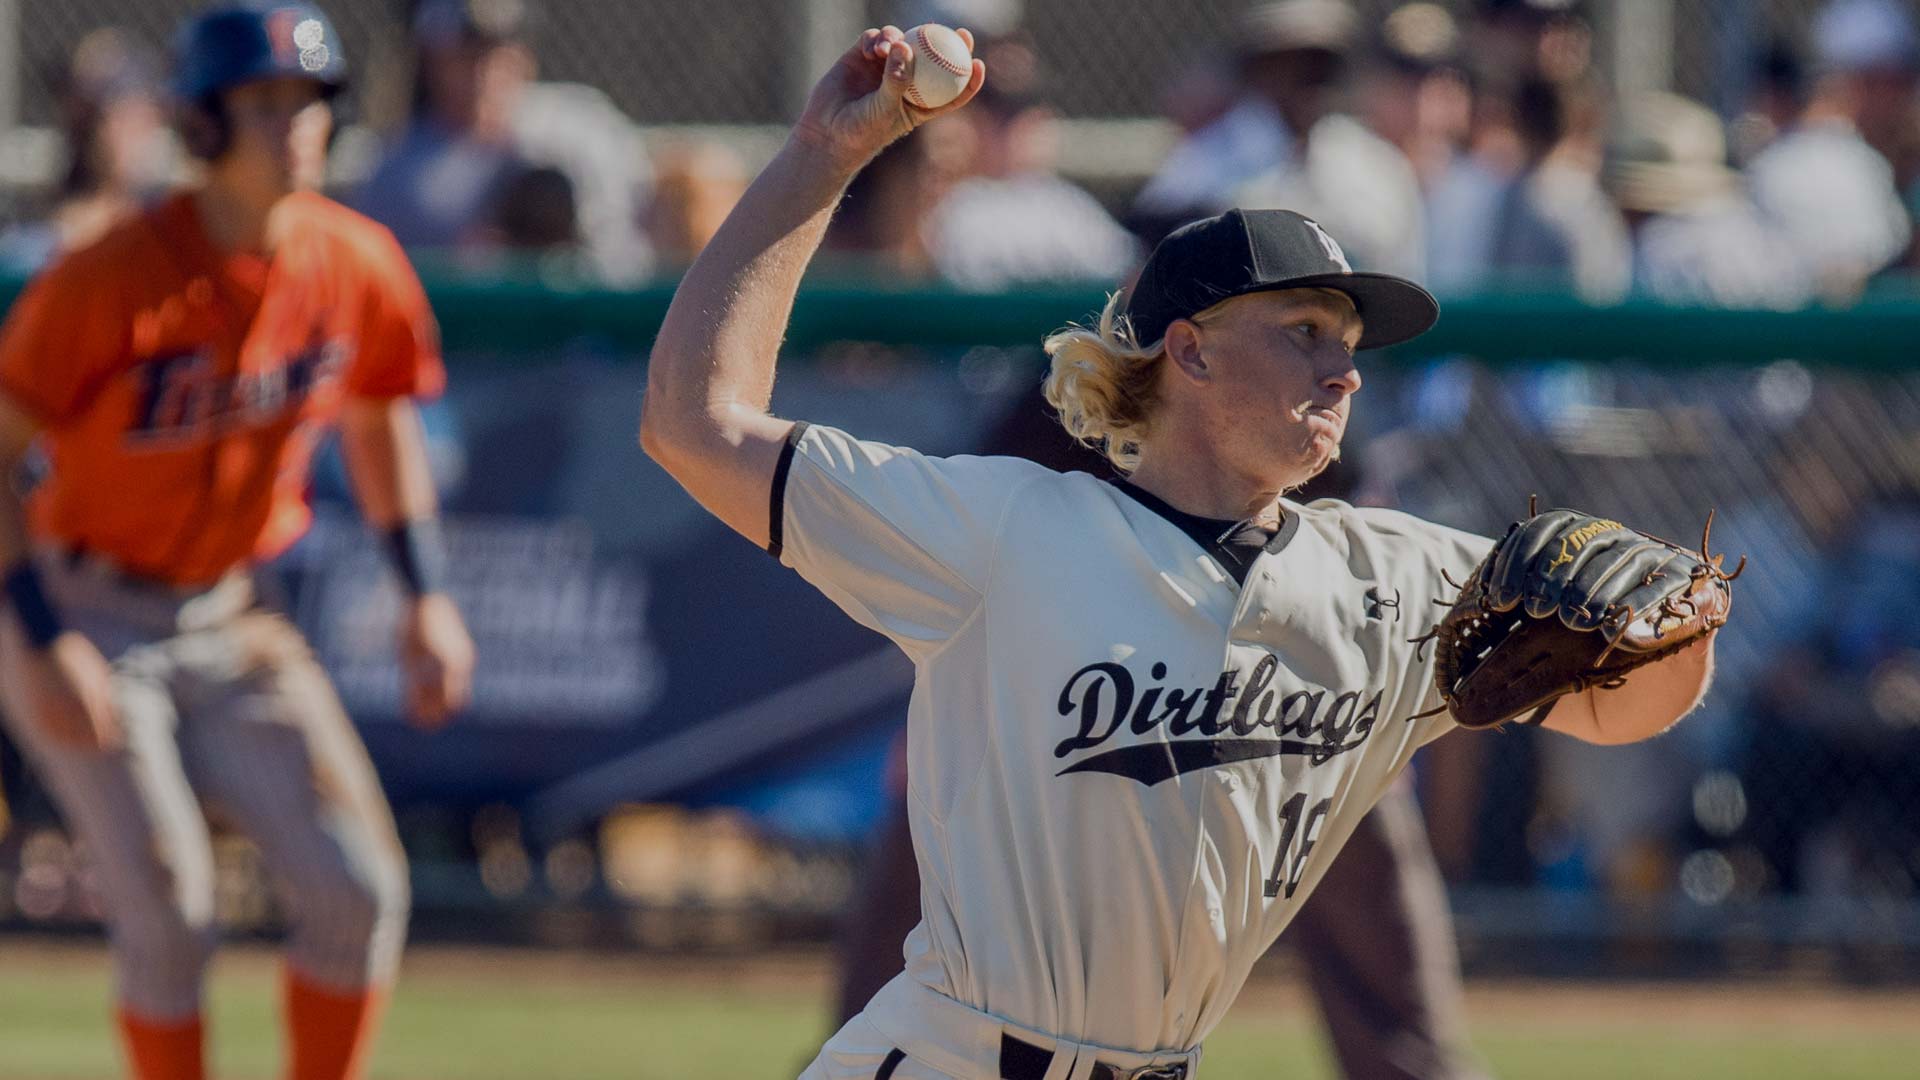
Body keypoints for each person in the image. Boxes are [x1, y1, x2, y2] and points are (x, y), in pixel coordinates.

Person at [641, 26, 1717, 1079]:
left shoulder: (1402, 577)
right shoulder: (1005, 532)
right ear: (1188, 351)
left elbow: (1619, 709)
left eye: (1348, 346)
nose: (1343, 373)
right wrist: (824, 156)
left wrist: (1675, 636)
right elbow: (692, 423)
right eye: (1304, 331)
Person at [0, 5, 475, 1079]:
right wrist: (39, 636)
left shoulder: (355, 261)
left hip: (228, 609)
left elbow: (380, 414)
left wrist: (425, 594)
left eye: (308, 104)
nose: (294, 128)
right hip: (83, 607)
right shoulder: (106, 277)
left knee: (360, 892)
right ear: (202, 126)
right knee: (171, 913)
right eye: (264, 105)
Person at [832, 391, 1491, 1080]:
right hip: (1067, 700)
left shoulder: (1282, 381)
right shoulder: (1063, 389)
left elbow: (1355, 529)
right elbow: (961, 551)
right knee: (936, 852)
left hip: (1289, 700)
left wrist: (1375, 695)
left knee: (1382, 938)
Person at [352, 0, 652, 282]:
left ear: (524, 55)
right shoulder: (396, 170)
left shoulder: (585, 132)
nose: (482, 73)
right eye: (465, 55)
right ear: (432, 60)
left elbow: (633, 256)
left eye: (497, 52)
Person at [1137, 0, 1426, 279]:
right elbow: (1155, 262)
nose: (1311, 76)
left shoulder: (1374, 162)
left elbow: (1404, 273)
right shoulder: (1204, 159)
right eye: (1295, 61)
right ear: (1259, 68)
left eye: (1322, 61)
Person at [0, 28, 172, 273]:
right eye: (77, 110)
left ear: (146, 118)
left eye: (97, 112)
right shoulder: (30, 247)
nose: (79, 125)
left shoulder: (170, 237)